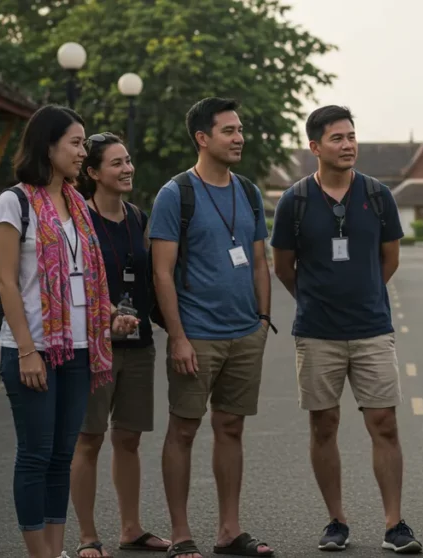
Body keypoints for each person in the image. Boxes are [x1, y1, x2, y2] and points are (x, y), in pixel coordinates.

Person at [270, 105, 422, 554]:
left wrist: (365, 295)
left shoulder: (377, 196)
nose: (348, 145)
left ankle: (395, 524)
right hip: (317, 332)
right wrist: (317, 301)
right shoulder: (294, 201)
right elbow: (283, 267)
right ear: (315, 147)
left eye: (352, 136)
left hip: (372, 328)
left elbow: (389, 258)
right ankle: (336, 520)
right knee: (324, 425)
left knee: (385, 424)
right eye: (337, 138)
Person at [0, 105, 139, 558]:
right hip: (34, 348)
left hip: (79, 347)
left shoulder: (77, 205)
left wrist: (107, 314)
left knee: (61, 456)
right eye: (75, 143)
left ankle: (54, 550)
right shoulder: (13, 202)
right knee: (35, 455)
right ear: (48, 145)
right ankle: (38, 553)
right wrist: (29, 350)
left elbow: (82, 276)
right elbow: (6, 280)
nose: (82, 151)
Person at [149, 97, 274, 558]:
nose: (238, 137)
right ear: (203, 138)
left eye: (240, 129)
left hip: (245, 332)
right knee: (183, 429)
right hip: (196, 334)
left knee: (231, 427)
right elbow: (162, 272)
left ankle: (228, 531)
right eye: (228, 131)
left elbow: (260, 260)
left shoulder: (249, 191)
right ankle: (181, 536)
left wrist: (262, 319)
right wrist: (178, 337)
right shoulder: (175, 194)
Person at [70, 132, 169, 557]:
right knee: (88, 439)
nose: (127, 168)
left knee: (128, 439)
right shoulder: (78, 222)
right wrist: (107, 317)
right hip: (95, 348)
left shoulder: (138, 218)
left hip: (139, 345)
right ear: (92, 173)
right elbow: (74, 284)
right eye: (116, 163)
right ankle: (88, 537)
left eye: (128, 160)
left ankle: (131, 528)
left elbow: (152, 277)